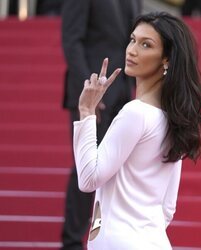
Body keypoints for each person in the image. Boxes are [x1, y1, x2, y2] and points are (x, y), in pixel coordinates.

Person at [73, 11, 201, 250]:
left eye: (146, 45)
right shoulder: (173, 119)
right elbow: (168, 207)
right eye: (132, 40)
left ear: (166, 59)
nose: (132, 50)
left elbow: (88, 179)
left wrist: (86, 111)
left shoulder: (134, 112)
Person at [60, 0, 142, 249]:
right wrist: (91, 91)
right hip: (91, 93)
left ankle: (105, 239)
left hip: (123, 93)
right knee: (85, 169)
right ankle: (72, 242)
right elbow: (71, 40)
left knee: (115, 173)